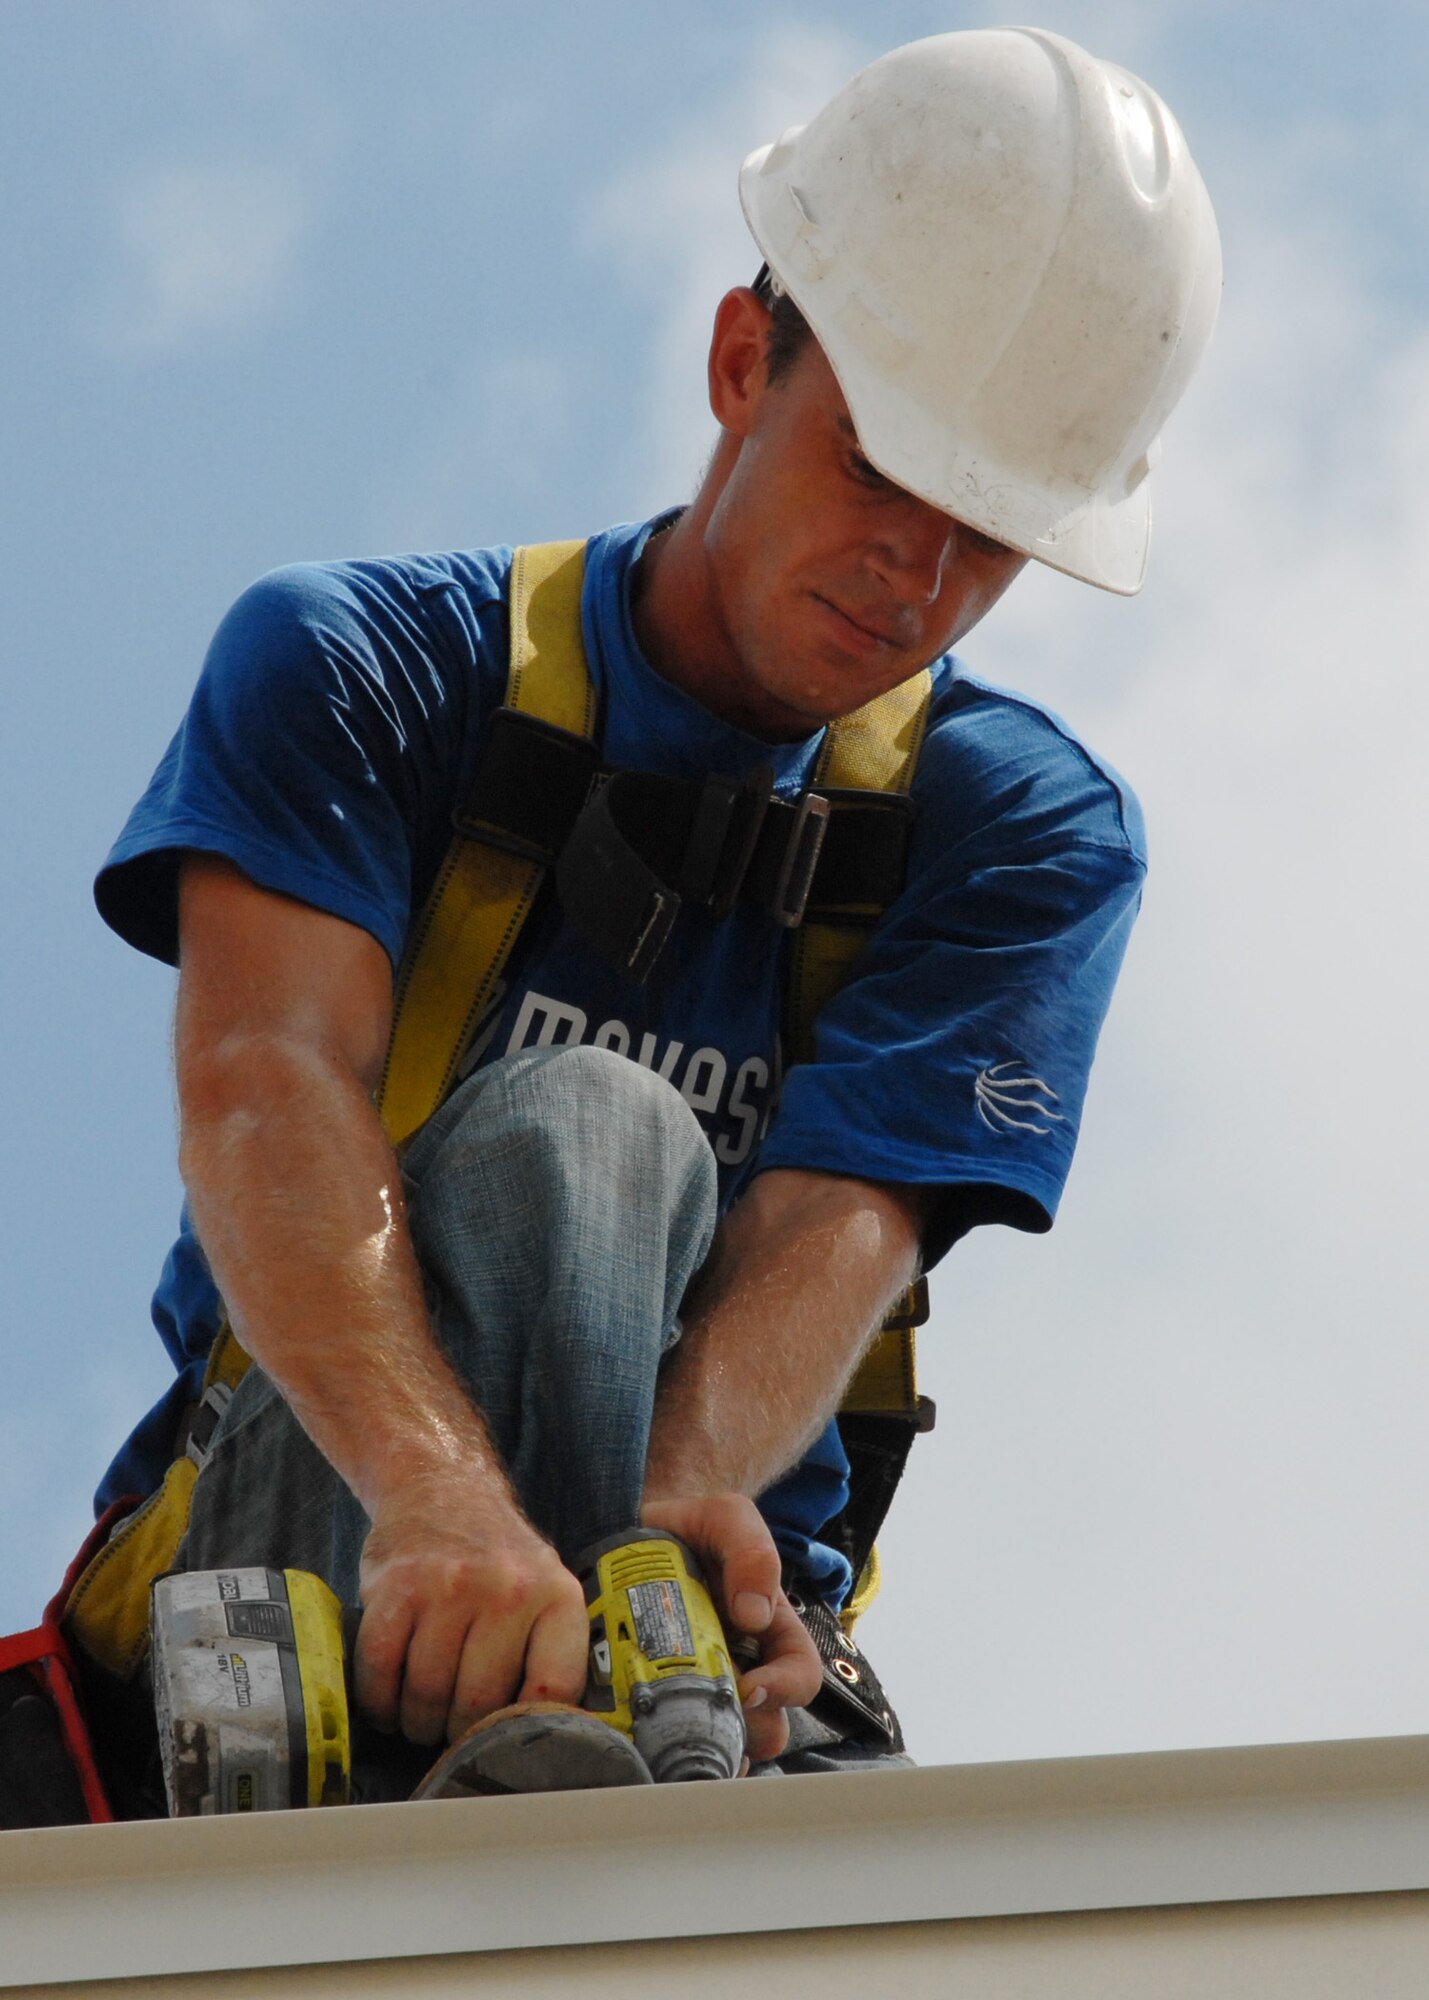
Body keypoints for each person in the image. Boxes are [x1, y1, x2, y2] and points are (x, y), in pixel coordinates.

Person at [78, 28, 1221, 1799]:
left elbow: (847, 1214)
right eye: (876, 472)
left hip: (709, 1644)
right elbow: (263, 1087)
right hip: (313, 1542)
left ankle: (608, 1748)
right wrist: (446, 1505)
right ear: (739, 359)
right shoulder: (368, 668)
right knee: (587, 1125)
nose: (911, 583)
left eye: (986, 534)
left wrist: (684, 1507)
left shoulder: (1021, 831)